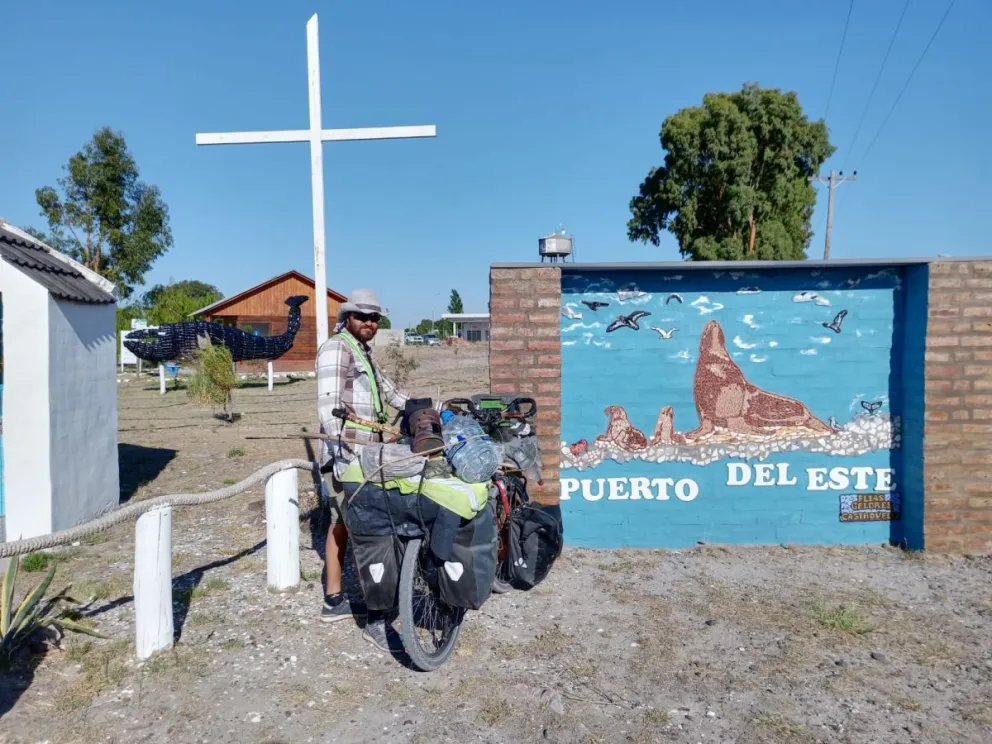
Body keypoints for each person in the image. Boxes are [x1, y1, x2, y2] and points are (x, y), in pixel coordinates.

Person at [315, 288, 413, 650]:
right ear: (347, 318)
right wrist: (342, 457)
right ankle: (345, 601)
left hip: (370, 453)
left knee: (349, 523)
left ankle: (343, 596)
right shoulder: (336, 348)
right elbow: (328, 405)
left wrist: (429, 407)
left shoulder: (363, 352)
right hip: (349, 456)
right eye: (363, 317)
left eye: (375, 318)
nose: (370, 323)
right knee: (351, 524)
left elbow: (390, 392)